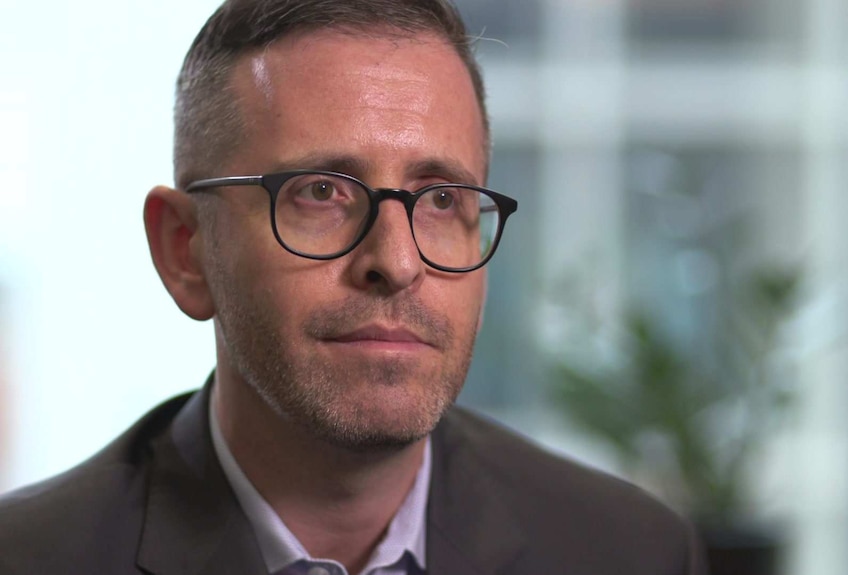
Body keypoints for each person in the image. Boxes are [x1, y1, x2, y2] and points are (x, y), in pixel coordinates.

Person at [0, 1, 707, 573]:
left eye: (438, 199)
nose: (396, 262)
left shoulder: (629, 552)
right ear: (186, 251)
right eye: (320, 191)